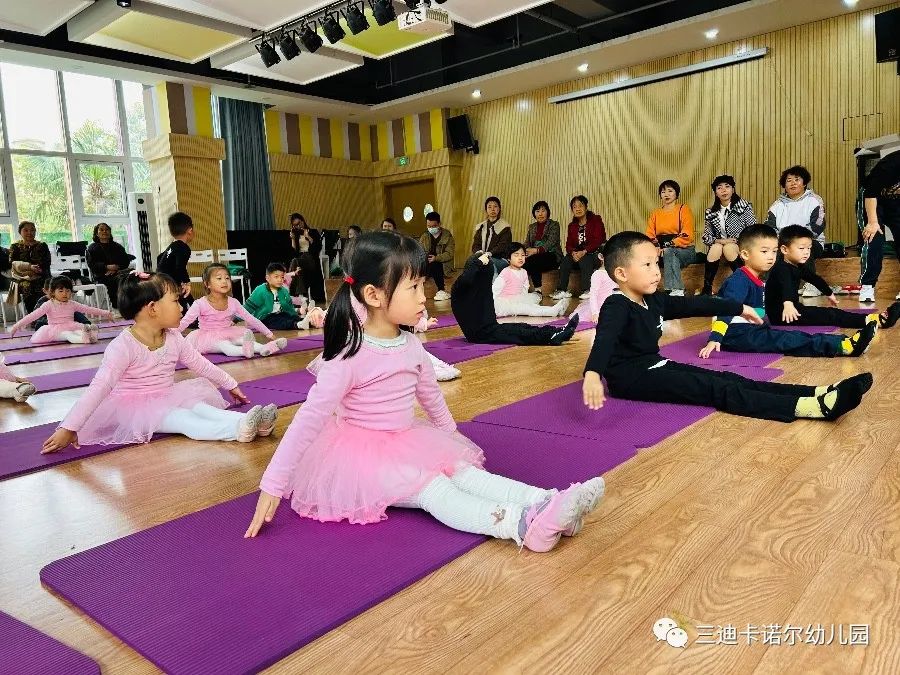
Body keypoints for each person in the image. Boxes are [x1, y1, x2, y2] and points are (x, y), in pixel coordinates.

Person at [245, 231, 605, 551]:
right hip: (363, 459)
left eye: (422, 285)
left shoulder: (411, 346)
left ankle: (547, 501)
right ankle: (521, 525)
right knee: (436, 490)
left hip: (407, 440)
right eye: (414, 287)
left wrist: (452, 440)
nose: (424, 297)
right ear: (373, 295)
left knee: (464, 472)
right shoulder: (348, 356)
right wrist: (273, 483)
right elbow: (308, 419)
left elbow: (430, 397)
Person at [582, 231, 873, 422]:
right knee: (715, 388)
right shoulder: (616, 305)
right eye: (647, 265)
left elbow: (698, 305)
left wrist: (739, 308)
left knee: (730, 378)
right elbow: (604, 340)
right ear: (621, 273)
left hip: (655, 365)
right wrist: (593, 374)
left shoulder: (653, 300)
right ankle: (809, 408)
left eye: (656, 263)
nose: (656, 271)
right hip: (632, 379)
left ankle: (816, 392)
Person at [41, 271, 277, 453]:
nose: (181, 307)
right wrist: (69, 427)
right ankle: (237, 429)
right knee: (183, 420)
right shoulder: (123, 346)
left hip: (168, 394)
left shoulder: (173, 337)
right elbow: (99, 387)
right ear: (153, 308)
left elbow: (200, 364)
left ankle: (253, 422)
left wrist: (230, 384)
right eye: (175, 301)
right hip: (136, 408)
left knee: (201, 408)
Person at [701, 225, 877, 360]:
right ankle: (842, 346)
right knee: (786, 339)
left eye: (774, 251)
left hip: (748, 329)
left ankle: (842, 342)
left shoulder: (756, 278)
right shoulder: (739, 280)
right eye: (764, 251)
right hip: (734, 334)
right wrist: (716, 337)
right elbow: (727, 308)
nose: (771, 256)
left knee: (789, 336)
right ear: (745, 254)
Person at [768, 226, 900, 329]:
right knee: (832, 315)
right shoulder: (781, 268)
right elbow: (786, 286)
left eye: (809, 248)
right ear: (784, 250)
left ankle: (873, 318)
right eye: (801, 248)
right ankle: (877, 321)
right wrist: (788, 304)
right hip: (785, 314)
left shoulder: (797, 266)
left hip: (792, 310)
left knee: (831, 313)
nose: (806, 252)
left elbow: (814, 279)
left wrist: (829, 293)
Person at [452, 251, 579, 346]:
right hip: (480, 335)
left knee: (522, 327)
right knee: (520, 333)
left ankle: (557, 331)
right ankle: (553, 337)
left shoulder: (479, 286)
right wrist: (479, 261)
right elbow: (467, 277)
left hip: (490, 328)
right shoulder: (460, 287)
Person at [178, 263, 289, 358]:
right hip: (207, 337)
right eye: (219, 278)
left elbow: (250, 318)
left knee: (242, 339)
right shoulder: (200, 304)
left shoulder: (233, 302)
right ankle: (244, 351)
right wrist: (171, 335)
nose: (224, 281)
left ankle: (264, 348)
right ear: (207, 284)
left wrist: (268, 333)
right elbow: (185, 321)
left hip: (228, 331)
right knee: (224, 345)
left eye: (227, 278)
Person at [765, 165, 827, 298]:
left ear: (804, 183)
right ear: (784, 185)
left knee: (802, 246)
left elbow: (818, 224)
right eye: (789, 180)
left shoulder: (814, 200)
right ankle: (771, 286)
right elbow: (769, 228)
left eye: (797, 179)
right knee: (772, 250)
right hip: (784, 243)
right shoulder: (777, 205)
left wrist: (798, 239)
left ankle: (813, 284)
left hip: (813, 242)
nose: (793, 183)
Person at [9, 276, 111, 344]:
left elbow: (88, 309)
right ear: (53, 292)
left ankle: (90, 335)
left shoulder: (72, 304)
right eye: (61, 291)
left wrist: (107, 313)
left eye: (68, 291)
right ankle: (85, 338)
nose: (65, 293)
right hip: (55, 330)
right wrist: (17, 326)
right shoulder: (48, 304)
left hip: (71, 325)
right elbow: (33, 315)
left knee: (78, 330)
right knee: (67, 335)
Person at [700, 175, 756, 295]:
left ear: (733, 189)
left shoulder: (744, 207)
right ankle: (707, 288)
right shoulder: (711, 212)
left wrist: (735, 241)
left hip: (741, 246)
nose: (724, 190)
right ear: (715, 193)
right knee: (716, 246)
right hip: (720, 248)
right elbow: (706, 237)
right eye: (719, 188)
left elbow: (752, 230)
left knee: (728, 247)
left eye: (727, 186)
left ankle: (746, 284)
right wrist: (721, 241)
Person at [858, 146, 900, 303]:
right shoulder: (893, 162)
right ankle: (867, 286)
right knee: (874, 237)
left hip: (896, 202)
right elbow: (871, 193)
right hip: (873, 200)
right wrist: (873, 222)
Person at [552, 195, 607, 301]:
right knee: (566, 260)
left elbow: (599, 240)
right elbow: (568, 245)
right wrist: (573, 253)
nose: (577, 209)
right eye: (574, 207)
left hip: (594, 254)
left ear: (586, 207)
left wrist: (584, 251)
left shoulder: (596, 220)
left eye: (580, 206)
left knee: (585, 259)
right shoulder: (572, 226)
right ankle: (562, 290)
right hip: (578, 255)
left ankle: (587, 290)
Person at [646, 180, 695, 297]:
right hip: (660, 251)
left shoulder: (683, 209)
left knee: (669, 251)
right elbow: (649, 235)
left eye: (670, 191)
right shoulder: (655, 213)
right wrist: (656, 247)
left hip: (684, 250)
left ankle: (675, 290)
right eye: (663, 192)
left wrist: (668, 245)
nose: (666, 194)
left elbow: (687, 234)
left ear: (676, 193)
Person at [493, 243, 567, 317]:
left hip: (518, 299)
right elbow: (495, 289)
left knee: (531, 304)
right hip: (506, 303)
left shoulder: (524, 272)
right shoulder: (506, 272)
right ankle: (551, 311)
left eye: (523, 255)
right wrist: (492, 305)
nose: (520, 258)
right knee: (528, 309)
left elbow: (525, 288)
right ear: (509, 258)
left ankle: (556, 309)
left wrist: (524, 300)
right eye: (516, 255)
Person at [86, 222, 135, 309]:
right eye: (101, 230)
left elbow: (125, 261)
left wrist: (116, 268)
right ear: (96, 233)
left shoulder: (117, 246)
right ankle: (119, 306)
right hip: (101, 275)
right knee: (117, 280)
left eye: (107, 229)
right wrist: (106, 267)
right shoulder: (92, 248)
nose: (105, 231)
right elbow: (92, 265)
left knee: (134, 276)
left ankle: (134, 303)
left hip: (119, 271)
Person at [244, 263, 305, 331]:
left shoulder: (283, 291)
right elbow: (249, 306)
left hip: (279, 314)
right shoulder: (260, 290)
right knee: (280, 322)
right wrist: (236, 318)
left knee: (289, 316)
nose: (280, 280)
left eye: (282, 277)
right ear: (268, 278)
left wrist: (295, 316)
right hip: (265, 317)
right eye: (276, 277)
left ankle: (307, 322)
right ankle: (297, 324)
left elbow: (290, 307)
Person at [8, 221, 51, 312]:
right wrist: (26, 272)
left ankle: (46, 314)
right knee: (27, 286)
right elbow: (12, 264)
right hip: (21, 278)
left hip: (41, 275)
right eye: (26, 230)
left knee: (46, 285)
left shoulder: (42, 246)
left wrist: (37, 271)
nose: (29, 232)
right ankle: (33, 315)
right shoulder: (15, 247)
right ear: (20, 232)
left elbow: (47, 263)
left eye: (32, 230)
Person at [156, 211, 194, 312]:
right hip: (170, 282)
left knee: (187, 297)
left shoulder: (172, 246)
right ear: (190, 230)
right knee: (184, 297)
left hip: (161, 279)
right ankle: (189, 316)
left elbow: (159, 257)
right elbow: (180, 267)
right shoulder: (183, 247)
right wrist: (187, 282)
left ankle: (195, 314)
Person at [523, 201, 562, 295]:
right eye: (537, 211)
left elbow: (551, 242)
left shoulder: (554, 225)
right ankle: (521, 290)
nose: (540, 214)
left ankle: (538, 290)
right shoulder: (532, 227)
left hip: (552, 255)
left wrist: (536, 250)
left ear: (547, 212)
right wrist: (522, 252)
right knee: (522, 261)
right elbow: (527, 243)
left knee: (533, 261)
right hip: (534, 255)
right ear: (534, 214)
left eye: (543, 211)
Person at [568, 252, 618, 324]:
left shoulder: (615, 273)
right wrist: (595, 313)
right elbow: (593, 294)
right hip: (600, 307)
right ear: (601, 257)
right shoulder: (598, 274)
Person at [288, 213, 325, 303]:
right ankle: (302, 296)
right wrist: (293, 239)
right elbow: (294, 252)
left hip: (311, 258)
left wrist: (308, 236)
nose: (298, 226)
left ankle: (287, 284)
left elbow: (318, 247)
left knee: (295, 261)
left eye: (299, 223)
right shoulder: (296, 235)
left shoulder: (313, 232)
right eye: (295, 225)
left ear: (303, 221)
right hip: (300, 259)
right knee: (297, 266)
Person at [418, 211, 455, 301]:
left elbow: (449, 254)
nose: (431, 228)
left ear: (439, 224)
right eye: (429, 226)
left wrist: (436, 258)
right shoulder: (424, 237)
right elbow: (419, 252)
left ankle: (441, 290)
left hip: (443, 265)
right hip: (427, 263)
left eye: (434, 226)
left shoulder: (447, 236)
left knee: (435, 264)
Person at [471, 197, 512, 270]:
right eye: (489, 207)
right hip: (483, 257)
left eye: (495, 206)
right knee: (471, 261)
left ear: (499, 209)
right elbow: (476, 244)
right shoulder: (481, 226)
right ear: (486, 210)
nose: (492, 209)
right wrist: (480, 253)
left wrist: (488, 254)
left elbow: (502, 246)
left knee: (483, 264)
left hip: (500, 259)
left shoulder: (505, 227)